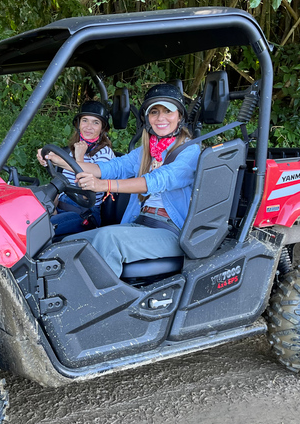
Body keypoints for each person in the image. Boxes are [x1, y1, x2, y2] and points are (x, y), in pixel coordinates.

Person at [43, 83, 201, 278]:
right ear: (147, 118)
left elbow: (155, 180)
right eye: (154, 112)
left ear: (179, 116)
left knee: (108, 239)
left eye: (167, 111)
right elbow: (109, 168)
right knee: (69, 244)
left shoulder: (189, 151)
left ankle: (101, 306)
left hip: (172, 231)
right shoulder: (146, 151)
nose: (161, 118)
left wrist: (104, 185)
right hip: (140, 224)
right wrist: (58, 160)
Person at [36, 100, 115, 235]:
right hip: (60, 205)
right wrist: (51, 206)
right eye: (85, 120)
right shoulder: (70, 150)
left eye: (95, 122)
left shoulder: (105, 153)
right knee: (25, 220)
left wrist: (79, 158)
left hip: (84, 212)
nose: (89, 126)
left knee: (39, 232)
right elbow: (60, 181)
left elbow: (85, 195)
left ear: (102, 128)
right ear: (78, 124)